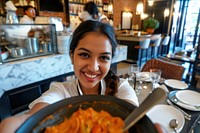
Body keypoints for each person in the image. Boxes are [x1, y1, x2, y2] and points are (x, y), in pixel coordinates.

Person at [0, 20, 139, 133]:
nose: (93, 67)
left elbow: (135, 116)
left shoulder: (121, 87)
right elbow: (37, 114)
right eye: (84, 55)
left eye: (103, 57)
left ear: (111, 61)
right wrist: (22, 122)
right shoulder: (60, 90)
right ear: (72, 57)